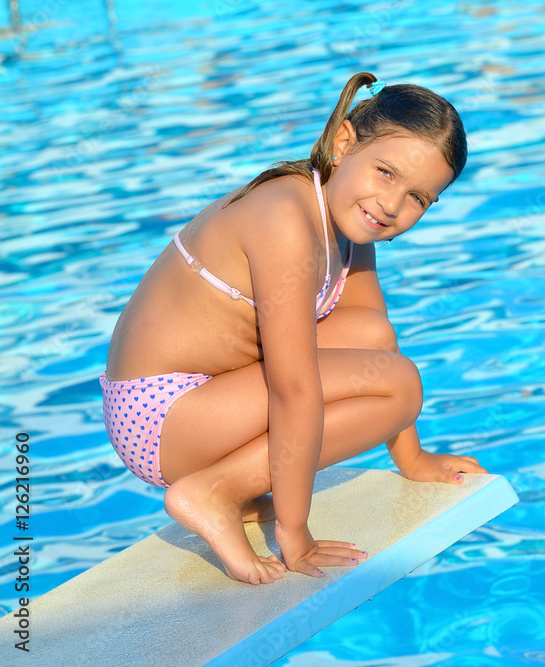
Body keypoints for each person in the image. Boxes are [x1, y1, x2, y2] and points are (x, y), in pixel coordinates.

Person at [99, 72, 487, 585]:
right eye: (386, 173)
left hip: (208, 400)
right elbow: (293, 387)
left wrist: (411, 460)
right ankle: (213, 491)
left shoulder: (349, 219)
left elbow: (377, 336)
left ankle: (227, 483)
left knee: (371, 341)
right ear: (344, 142)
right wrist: (295, 531)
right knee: (399, 385)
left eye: (419, 198)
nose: (392, 205)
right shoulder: (284, 217)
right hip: (160, 415)